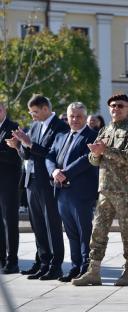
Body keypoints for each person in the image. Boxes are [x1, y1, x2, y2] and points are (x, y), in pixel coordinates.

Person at [73, 94, 128, 287]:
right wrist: (95, 154)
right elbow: (94, 160)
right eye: (112, 106)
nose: (115, 109)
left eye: (120, 106)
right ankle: (94, 271)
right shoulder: (105, 130)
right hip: (105, 190)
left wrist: (105, 151)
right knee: (98, 231)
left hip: (125, 191)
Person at [7, 94, 68, 280]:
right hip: (30, 181)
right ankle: (42, 263)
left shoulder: (60, 127)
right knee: (38, 226)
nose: (32, 116)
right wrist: (17, 146)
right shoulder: (34, 126)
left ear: (45, 109)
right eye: (30, 112)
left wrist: (29, 143)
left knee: (52, 226)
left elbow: (53, 154)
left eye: (35, 112)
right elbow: (27, 155)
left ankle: (55, 266)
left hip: (48, 183)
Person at [46, 102, 98, 282]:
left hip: (81, 194)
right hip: (62, 192)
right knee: (70, 233)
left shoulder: (92, 136)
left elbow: (86, 160)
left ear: (85, 118)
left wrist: (64, 173)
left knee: (84, 232)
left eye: (79, 116)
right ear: (67, 117)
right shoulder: (61, 136)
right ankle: (75, 267)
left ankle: (86, 268)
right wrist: (54, 171)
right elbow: (50, 156)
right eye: (72, 116)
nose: (75, 120)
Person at [0, 102, 21, 274]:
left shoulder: (13, 128)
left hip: (9, 183)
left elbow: (16, 156)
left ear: (4, 110)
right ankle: (1, 258)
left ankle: (12, 261)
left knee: (10, 222)